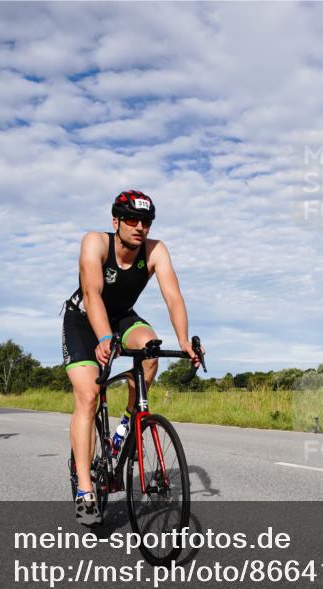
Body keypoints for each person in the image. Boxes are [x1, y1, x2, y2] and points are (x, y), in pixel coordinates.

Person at [62, 190, 199, 525]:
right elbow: (93, 292)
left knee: (151, 347)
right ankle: (85, 489)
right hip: (83, 320)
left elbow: (173, 296)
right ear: (116, 221)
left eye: (146, 222)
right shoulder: (95, 243)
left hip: (122, 316)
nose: (140, 227)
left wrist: (183, 340)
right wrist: (104, 338)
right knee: (89, 395)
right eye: (133, 220)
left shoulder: (155, 250)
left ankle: (128, 423)